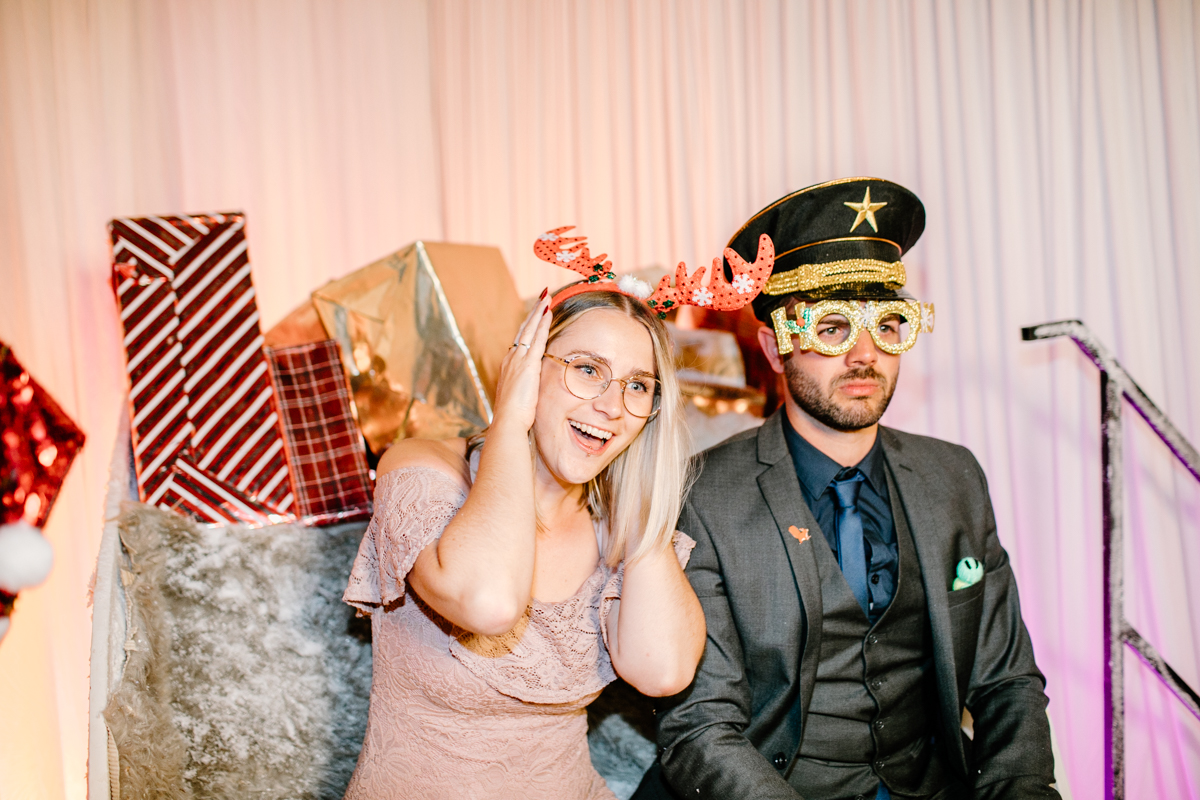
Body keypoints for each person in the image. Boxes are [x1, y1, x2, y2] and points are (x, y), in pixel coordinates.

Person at [634, 178, 1060, 800]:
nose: (865, 354)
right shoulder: (701, 493)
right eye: (831, 329)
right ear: (775, 349)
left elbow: (1007, 683)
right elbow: (703, 728)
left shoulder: (954, 477)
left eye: (888, 325)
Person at [340, 226, 773, 800]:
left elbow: (663, 670)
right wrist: (509, 425)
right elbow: (488, 601)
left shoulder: (622, 525)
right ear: (526, 365)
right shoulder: (425, 467)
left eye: (638, 386)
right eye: (587, 369)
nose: (612, 407)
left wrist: (643, 493)